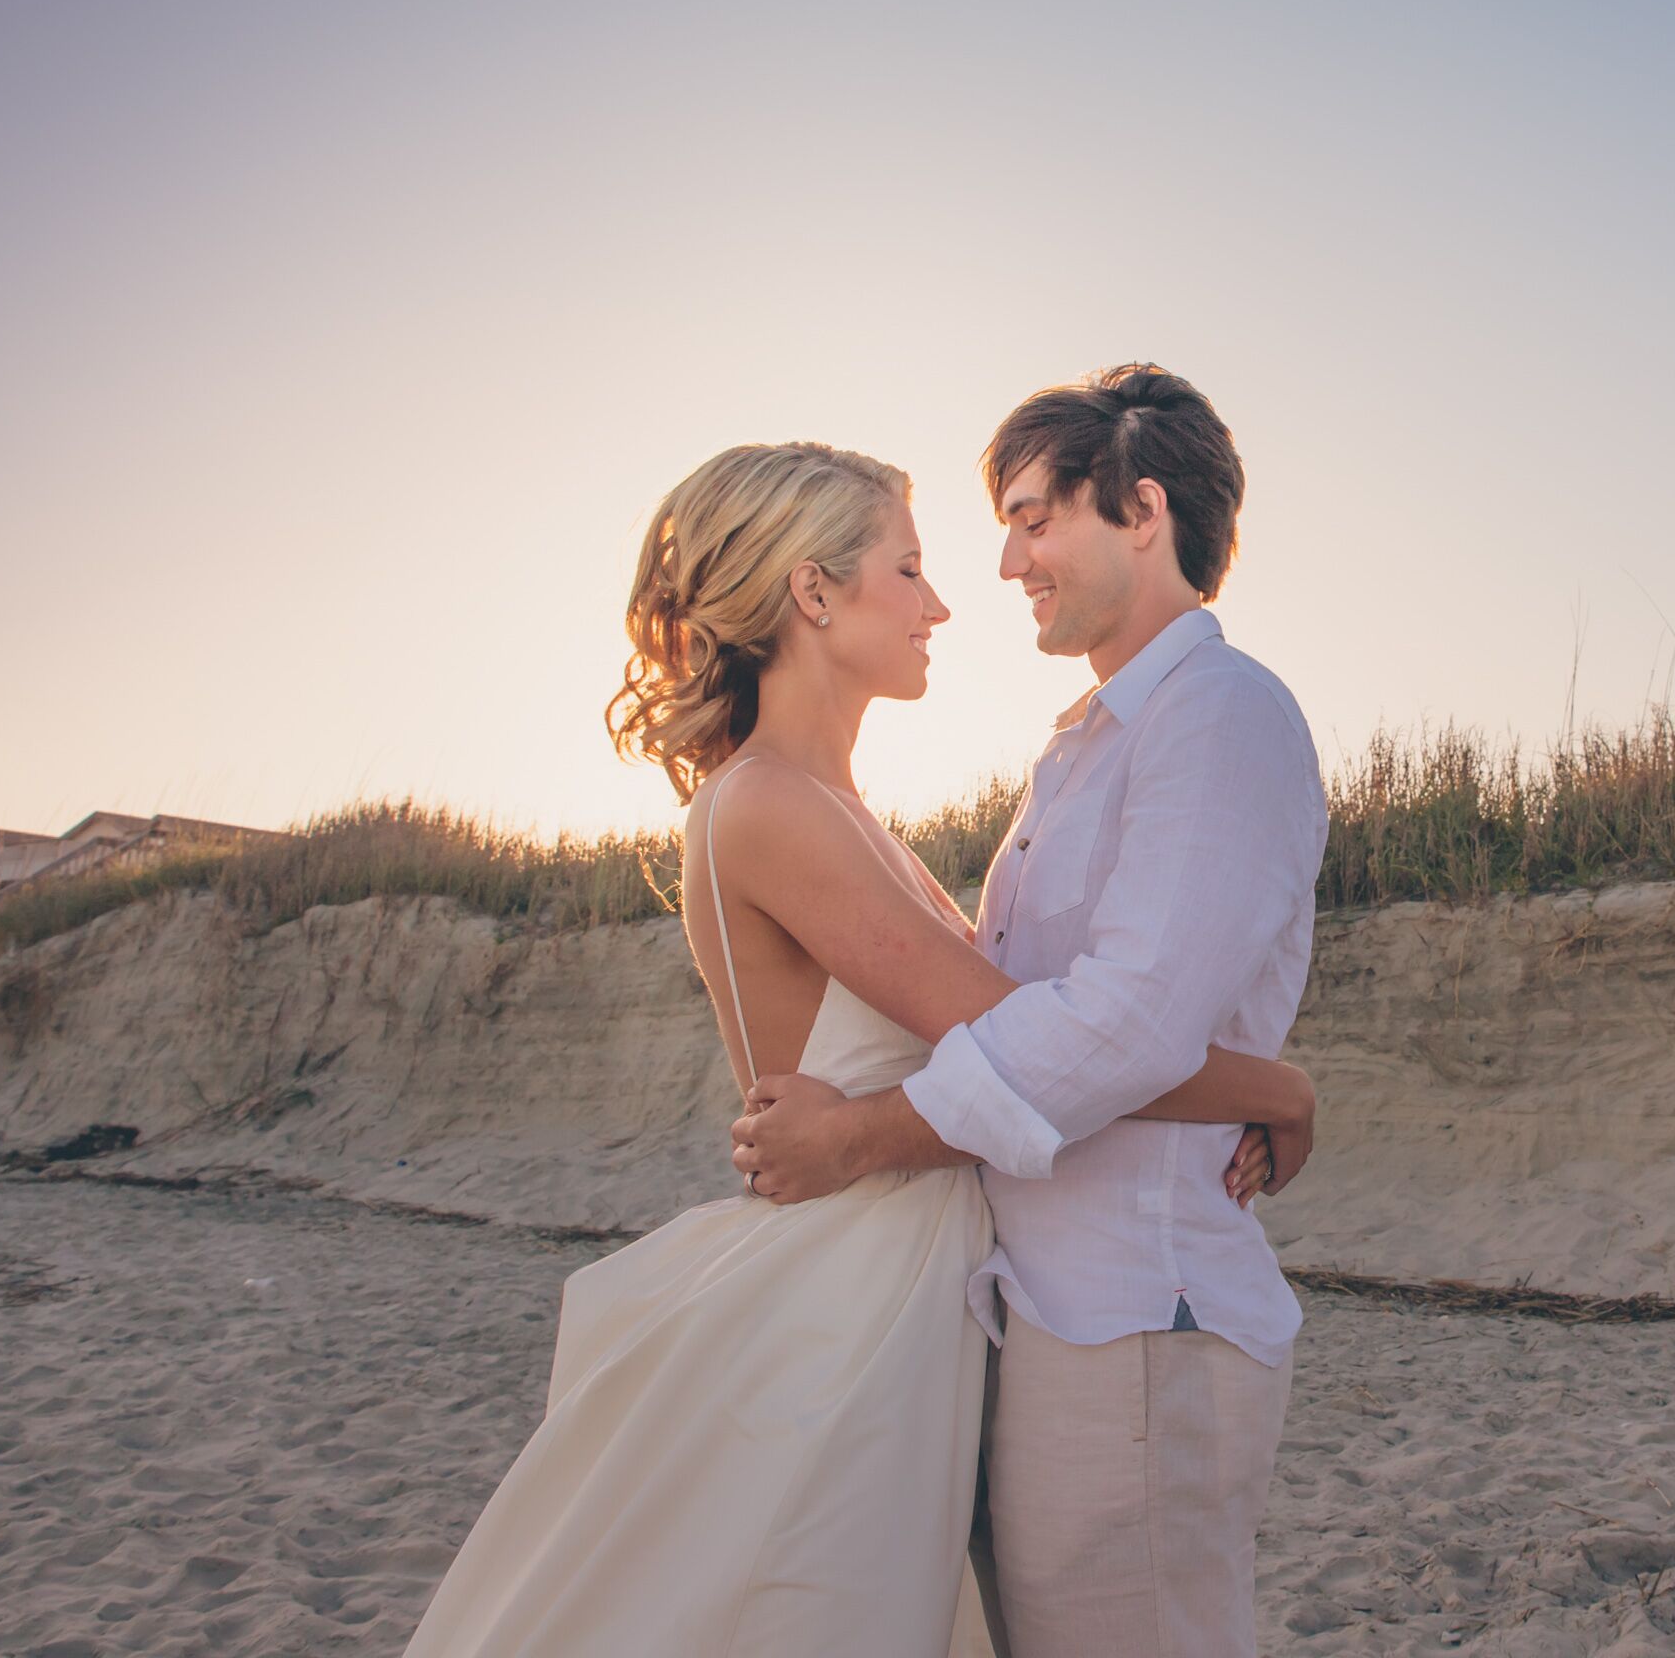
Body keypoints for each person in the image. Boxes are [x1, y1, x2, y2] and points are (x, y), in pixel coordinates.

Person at [403, 437, 1314, 1657]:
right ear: (813, 591)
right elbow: (1039, 1037)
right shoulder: (771, 804)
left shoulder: (825, 804)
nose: (942, 600)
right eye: (910, 565)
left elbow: (1052, 1042)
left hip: (919, 1294)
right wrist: (1273, 1084)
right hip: (850, 1300)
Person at [733, 366, 1328, 1658]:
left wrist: (861, 1137)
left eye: (1032, 517)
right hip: (1056, 1316)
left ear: (1143, 509)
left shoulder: (1221, 717)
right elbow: (1027, 1012)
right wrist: (1275, 1090)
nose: (1005, 562)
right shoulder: (1086, 747)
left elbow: (1126, 1024)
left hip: (1139, 1325)